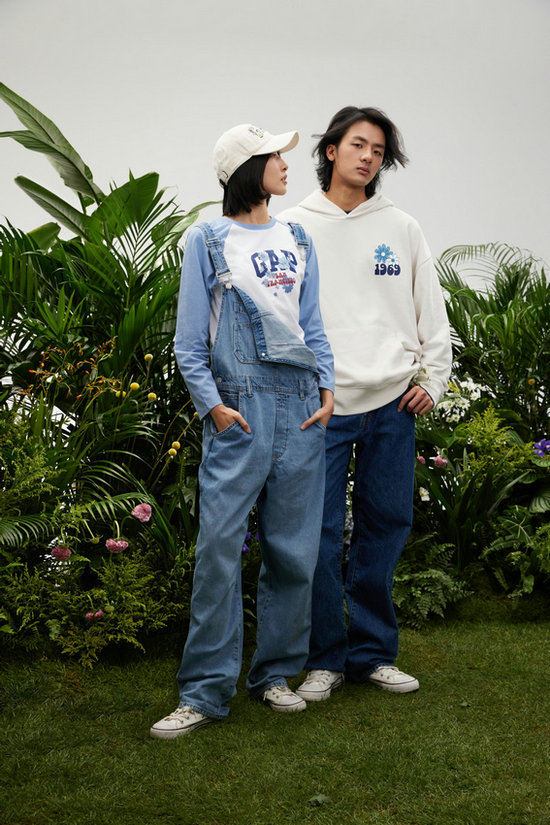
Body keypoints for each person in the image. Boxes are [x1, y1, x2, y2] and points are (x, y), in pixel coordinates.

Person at [150, 123, 334, 738]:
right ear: (247, 168)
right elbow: (189, 344)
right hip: (240, 412)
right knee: (218, 554)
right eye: (274, 155)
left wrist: (328, 390)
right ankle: (204, 692)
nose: (285, 163)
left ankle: (274, 675)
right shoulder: (207, 239)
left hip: (302, 409)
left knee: (294, 553)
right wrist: (215, 409)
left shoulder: (298, 237)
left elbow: (312, 325)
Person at [278, 106, 452, 699]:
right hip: (321, 407)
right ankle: (325, 658)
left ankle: (373, 654)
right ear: (331, 150)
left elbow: (431, 308)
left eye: (378, 150)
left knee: (386, 524)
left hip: (392, 406)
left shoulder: (400, 226)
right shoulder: (294, 226)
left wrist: (433, 380)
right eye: (358, 144)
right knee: (319, 533)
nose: (368, 157)